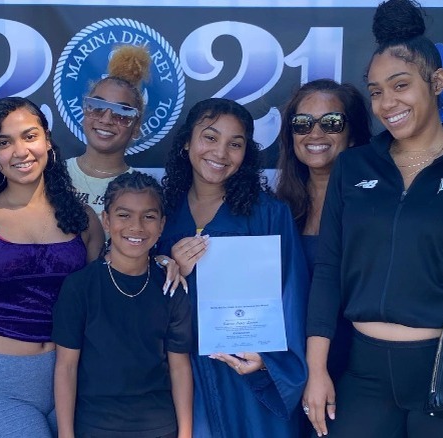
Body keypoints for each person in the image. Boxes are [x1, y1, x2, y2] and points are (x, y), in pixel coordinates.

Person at [303, 0, 443, 436]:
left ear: (436, 82)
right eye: (376, 91)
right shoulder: (354, 167)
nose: (386, 103)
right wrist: (317, 370)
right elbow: (327, 270)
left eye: (400, 85)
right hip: (364, 375)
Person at [157, 97, 310, 437]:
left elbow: (292, 296)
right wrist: (164, 265)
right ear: (187, 141)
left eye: (235, 144)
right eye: (209, 137)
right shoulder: (161, 214)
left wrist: (269, 363)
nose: (221, 153)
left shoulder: (269, 214)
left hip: (248, 373)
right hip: (181, 374)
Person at [0, 96, 106, 438]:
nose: (20, 152)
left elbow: (102, 299)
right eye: (4, 142)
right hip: (4, 386)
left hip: (76, 376)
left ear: (47, 140)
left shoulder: (83, 220)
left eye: (29, 136)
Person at [52, 171, 193, 438]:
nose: (136, 227)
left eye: (149, 216)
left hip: (159, 427)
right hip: (95, 426)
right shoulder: (80, 287)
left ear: (162, 225)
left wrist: (185, 434)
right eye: (124, 215)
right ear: (106, 220)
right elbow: (66, 367)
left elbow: (179, 367)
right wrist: (66, 434)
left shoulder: (171, 288)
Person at [274, 78, 372, 435]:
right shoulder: (277, 209)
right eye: (302, 123)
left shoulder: (376, 208)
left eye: (331, 122)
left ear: (354, 133)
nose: (315, 132)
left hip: (358, 369)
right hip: (289, 368)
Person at [65, 44, 148, 217]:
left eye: (122, 113)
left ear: (136, 127)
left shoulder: (143, 190)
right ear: (85, 111)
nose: (106, 119)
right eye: (97, 107)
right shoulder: (53, 174)